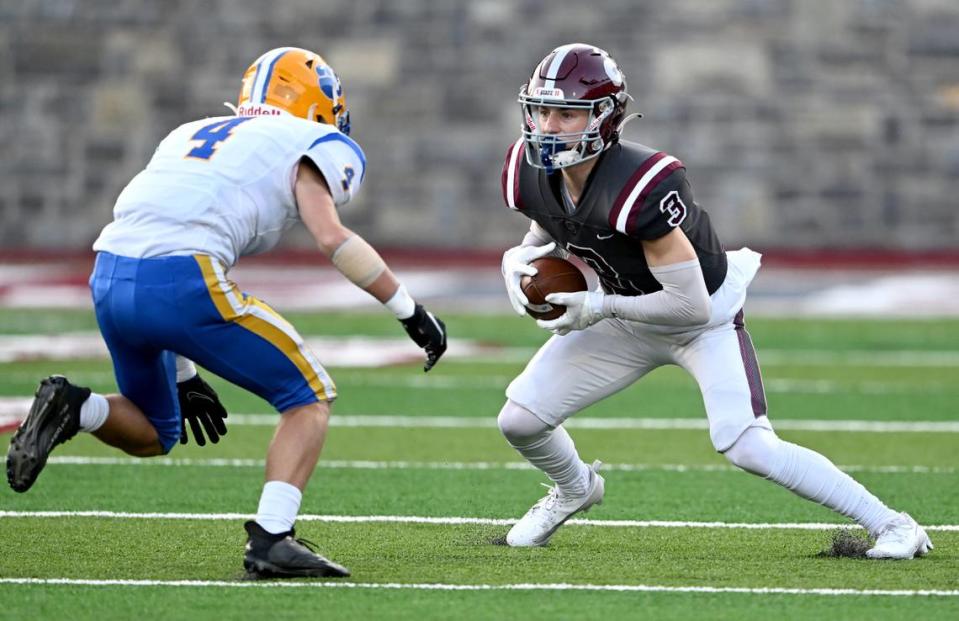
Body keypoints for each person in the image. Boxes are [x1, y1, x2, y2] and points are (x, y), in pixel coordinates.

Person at [5, 47, 447, 578]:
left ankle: (77, 407)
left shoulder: (190, 132)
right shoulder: (311, 139)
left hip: (109, 276)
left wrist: (186, 374)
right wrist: (409, 310)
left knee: (155, 431)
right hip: (180, 281)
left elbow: (156, 224)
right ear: (315, 103)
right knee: (308, 397)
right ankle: (272, 539)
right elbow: (332, 237)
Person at [496, 43, 932, 559]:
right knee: (519, 420)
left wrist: (597, 308)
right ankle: (575, 488)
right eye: (542, 109)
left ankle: (895, 525)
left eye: (566, 112)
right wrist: (518, 261)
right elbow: (550, 223)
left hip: (699, 319)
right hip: (624, 312)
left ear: (606, 118)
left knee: (747, 445)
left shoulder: (638, 186)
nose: (548, 125)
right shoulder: (527, 169)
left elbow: (689, 307)